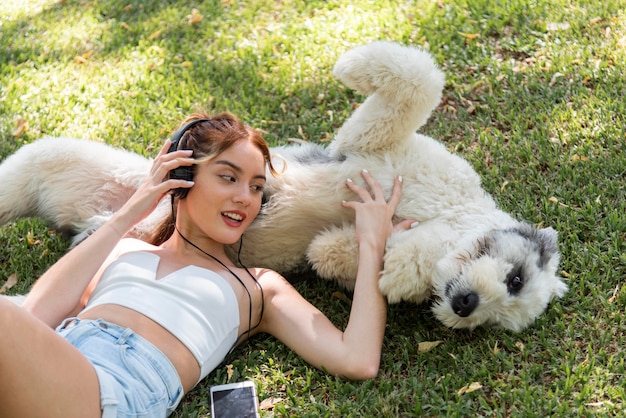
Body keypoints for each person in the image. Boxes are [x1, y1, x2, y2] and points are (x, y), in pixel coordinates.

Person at [0, 111, 414, 417]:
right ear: (182, 175)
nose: (245, 199)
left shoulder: (256, 287)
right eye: (228, 177)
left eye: (256, 187)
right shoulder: (125, 250)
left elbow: (357, 360)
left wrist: (372, 244)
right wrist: (130, 212)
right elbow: (37, 315)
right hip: (58, 368)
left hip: (113, 393)